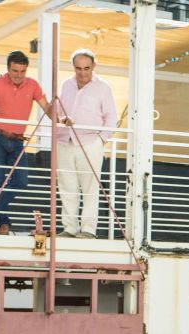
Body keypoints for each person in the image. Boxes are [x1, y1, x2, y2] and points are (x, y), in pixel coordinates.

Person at [0, 51, 52, 235]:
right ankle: (4, 225)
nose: (18, 75)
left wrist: (62, 118)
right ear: (8, 68)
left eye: (22, 71)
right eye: (14, 70)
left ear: (26, 70)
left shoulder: (32, 85)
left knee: (21, 181)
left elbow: (47, 107)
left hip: (17, 140)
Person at [56, 48, 117, 238]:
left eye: (86, 68)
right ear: (73, 68)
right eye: (78, 68)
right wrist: (62, 118)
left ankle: (89, 230)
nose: (82, 73)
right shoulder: (66, 84)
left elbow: (111, 118)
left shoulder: (103, 87)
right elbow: (57, 111)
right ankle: (69, 228)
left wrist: (100, 140)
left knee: (90, 187)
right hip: (65, 141)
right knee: (67, 187)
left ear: (94, 67)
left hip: (91, 142)